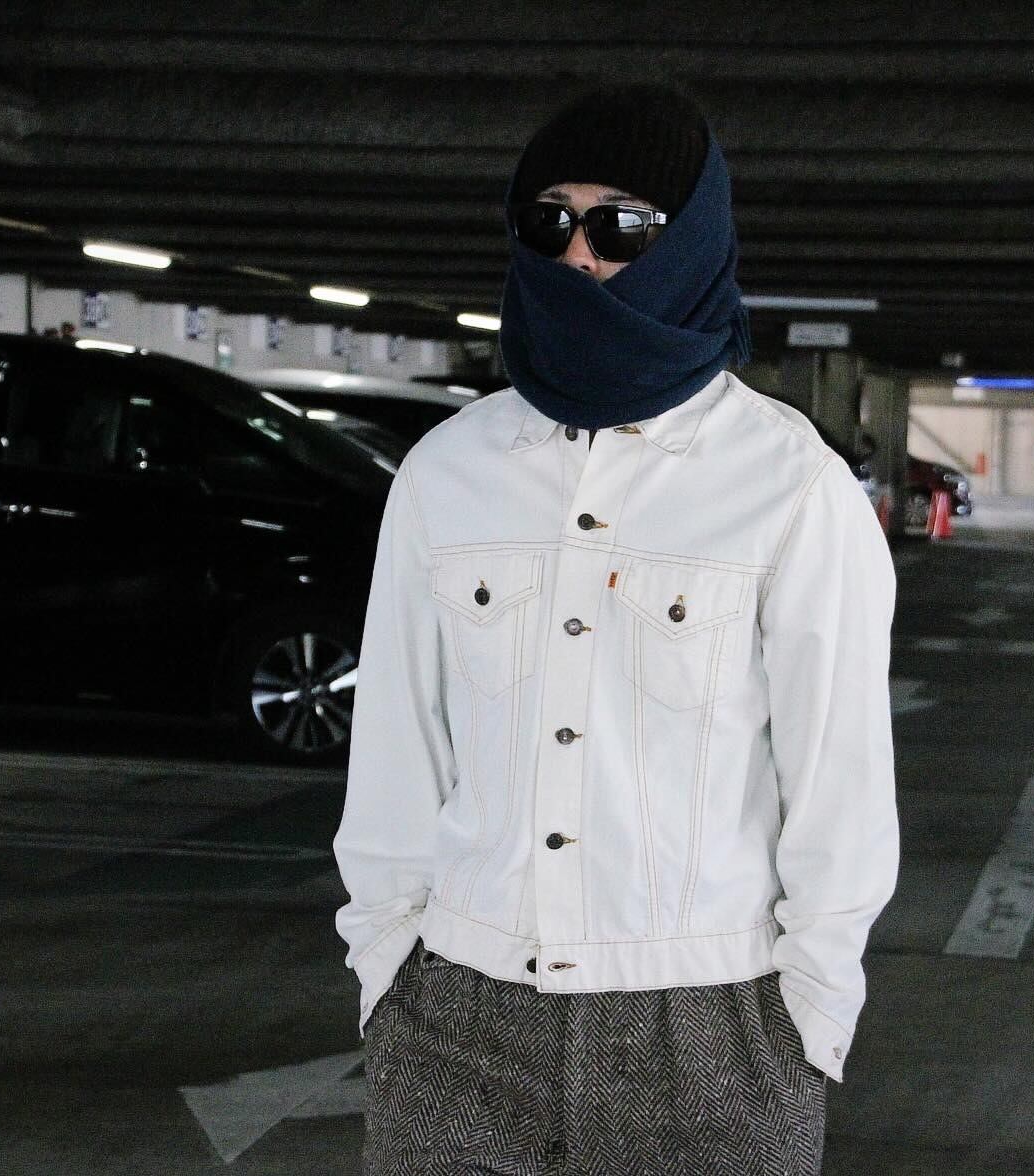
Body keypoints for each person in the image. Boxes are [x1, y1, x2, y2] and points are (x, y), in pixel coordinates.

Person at [333, 85, 898, 1176]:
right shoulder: (448, 473)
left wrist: (809, 1022)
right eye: (550, 222)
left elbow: (841, 785)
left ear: (690, 242)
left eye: (621, 226)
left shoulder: (789, 486)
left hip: (715, 1032)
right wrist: (386, 972)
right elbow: (396, 750)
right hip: (454, 1022)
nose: (580, 256)